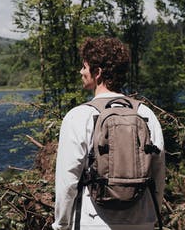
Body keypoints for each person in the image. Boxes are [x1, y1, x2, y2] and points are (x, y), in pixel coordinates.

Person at [52, 37, 165, 230]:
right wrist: (152, 215)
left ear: (98, 73)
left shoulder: (79, 116)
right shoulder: (146, 114)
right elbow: (158, 173)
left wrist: (61, 224)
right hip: (142, 219)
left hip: (93, 221)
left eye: (84, 67)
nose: (81, 71)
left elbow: (67, 179)